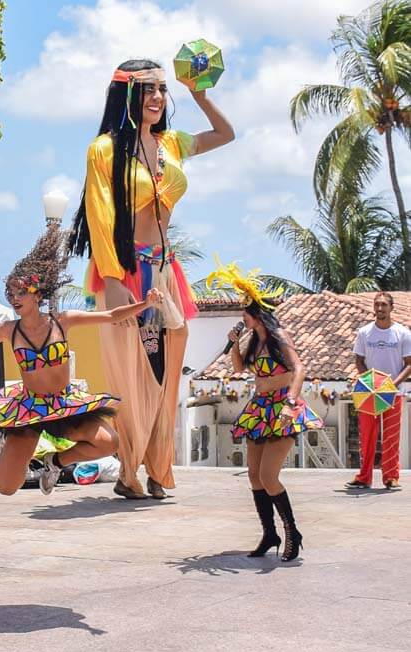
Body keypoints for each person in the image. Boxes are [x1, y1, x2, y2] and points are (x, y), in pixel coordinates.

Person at [69, 58, 234, 499]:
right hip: (128, 271)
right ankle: (129, 472)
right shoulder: (104, 149)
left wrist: (198, 93)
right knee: (135, 374)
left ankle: (159, 468)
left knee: (166, 374)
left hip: (166, 270)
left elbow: (225, 135)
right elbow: (99, 216)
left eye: (162, 89)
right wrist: (113, 277)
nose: (158, 97)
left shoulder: (171, 144)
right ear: (128, 96)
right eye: (148, 90)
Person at [0, 225, 161, 496]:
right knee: (6, 487)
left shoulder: (64, 321)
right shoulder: (9, 330)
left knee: (109, 442)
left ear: (37, 294)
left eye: (20, 293)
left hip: (64, 404)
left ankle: (55, 462)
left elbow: (111, 316)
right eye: (10, 294)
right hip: (29, 409)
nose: (14, 299)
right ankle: (10, 445)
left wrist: (144, 303)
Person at [210, 260, 323, 562]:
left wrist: (290, 402)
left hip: (281, 408)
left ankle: (292, 532)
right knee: (254, 477)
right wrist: (233, 343)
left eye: (244, 313)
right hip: (259, 409)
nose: (241, 319)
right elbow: (237, 369)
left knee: (269, 476)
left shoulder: (278, 338)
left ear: (256, 313)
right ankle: (269, 533)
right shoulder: (252, 342)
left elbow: (299, 368)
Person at [347, 292, 411, 491]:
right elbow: (359, 360)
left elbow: (409, 364)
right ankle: (364, 477)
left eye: (384, 305)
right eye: (377, 305)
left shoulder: (403, 333)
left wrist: (392, 385)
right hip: (368, 393)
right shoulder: (365, 332)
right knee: (367, 435)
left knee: (391, 437)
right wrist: (369, 382)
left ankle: (391, 477)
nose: (380, 308)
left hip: (393, 393)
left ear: (391, 308)